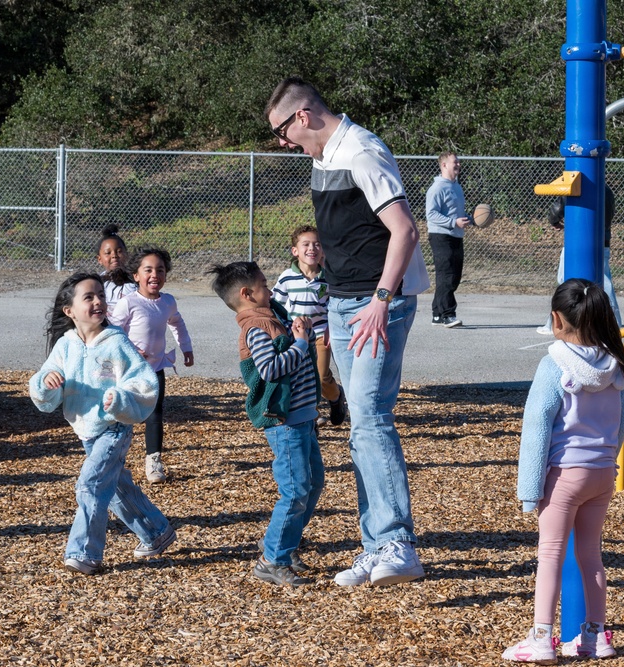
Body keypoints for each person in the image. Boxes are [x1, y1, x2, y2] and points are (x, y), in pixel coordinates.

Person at [265, 76, 429, 586]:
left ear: (304, 117)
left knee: (371, 418)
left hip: (379, 302)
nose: (281, 142)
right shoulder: (323, 156)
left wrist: (381, 301)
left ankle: (397, 543)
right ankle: (376, 545)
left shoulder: (361, 150)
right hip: (343, 301)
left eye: (281, 130)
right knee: (359, 423)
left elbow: (404, 229)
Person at [502, 278, 624, 663]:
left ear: (556, 319)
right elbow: (622, 421)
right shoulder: (615, 365)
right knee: (591, 555)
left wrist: (529, 488)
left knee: (551, 554)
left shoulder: (553, 364)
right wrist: (609, 458)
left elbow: (537, 425)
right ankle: (595, 635)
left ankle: (542, 637)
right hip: (602, 472)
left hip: (564, 475)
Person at [29, 272, 176, 575]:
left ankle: (84, 553)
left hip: (114, 427)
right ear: (69, 311)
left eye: (100, 295)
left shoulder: (116, 343)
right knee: (116, 489)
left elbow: (144, 383)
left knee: (91, 485)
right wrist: (48, 382)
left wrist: (120, 399)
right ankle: (156, 532)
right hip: (86, 430)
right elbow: (43, 384)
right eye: (88, 297)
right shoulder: (66, 345)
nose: (98, 302)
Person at [208, 261, 325, 587]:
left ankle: (282, 546)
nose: (270, 289)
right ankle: (271, 559)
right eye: (263, 284)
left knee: (313, 484)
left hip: (302, 419)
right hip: (284, 424)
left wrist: (303, 332)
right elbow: (272, 370)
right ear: (247, 294)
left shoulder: (272, 318)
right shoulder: (256, 329)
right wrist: (301, 343)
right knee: (295, 490)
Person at [109, 247, 194, 483]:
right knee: (121, 414)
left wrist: (186, 347)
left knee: (155, 415)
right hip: (128, 372)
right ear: (136, 275)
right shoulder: (128, 303)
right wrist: (130, 350)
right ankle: (113, 459)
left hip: (155, 369)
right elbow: (113, 332)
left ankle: (154, 462)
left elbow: (177, 323)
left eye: (160, 270)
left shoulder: (167, 302)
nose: (154, 274)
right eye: (148, 270)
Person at [272, 224, 346, 426]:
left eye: (317, 244)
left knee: (321, 376)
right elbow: (275, 304)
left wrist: (332, 328)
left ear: (323, 249)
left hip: (321, 334)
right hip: (297, 336)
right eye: (306, 244)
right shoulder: (287, 277)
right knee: (301, 378)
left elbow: (335, 306)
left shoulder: (328, 278)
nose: (312, 248)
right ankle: (311, 417)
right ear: (295, 251)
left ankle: (336, 397)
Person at [537, 185, 620, 334]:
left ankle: (553, 324)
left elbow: (557, 209)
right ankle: (615, 324)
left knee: (563, 280)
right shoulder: (606, 190)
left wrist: (554, 221)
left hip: (575, 241)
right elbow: (610, 214)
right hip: (601, 242)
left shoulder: (573, 186)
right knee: (604, 284)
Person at [425, 152, 471, 328]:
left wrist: (468, 218)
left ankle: (437, 313)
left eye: (458, 161)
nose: (458, 164)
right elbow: (431, 214)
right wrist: (453, 222)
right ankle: (448, 314)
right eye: (455, 162)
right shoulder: (437, 188)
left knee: (454, 276)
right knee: (447, 276)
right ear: (444, 165)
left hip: (456, 235)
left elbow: (455, 214)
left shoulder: (456, 187)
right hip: (441, 236)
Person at [96, 223, 136, 316]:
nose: (114, 255)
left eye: (119, 251)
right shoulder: (97, 283)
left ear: (126, 254)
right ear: (99, 259)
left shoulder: (136, 279)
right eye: (108, 253)